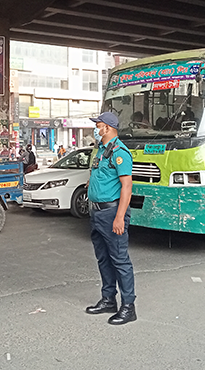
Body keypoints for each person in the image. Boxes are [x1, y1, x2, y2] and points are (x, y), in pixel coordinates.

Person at [85, 112, 137, 325]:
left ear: (107, 128)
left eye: (97, 125)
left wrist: (119, 217)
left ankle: (128, 306)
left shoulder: (120, 152)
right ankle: (108, 300)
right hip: (97, 212)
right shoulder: (101, 151)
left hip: (111, 212)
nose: (95, 129)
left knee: (120, 260)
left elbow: (127, 187)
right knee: (103, 258)